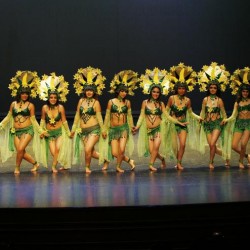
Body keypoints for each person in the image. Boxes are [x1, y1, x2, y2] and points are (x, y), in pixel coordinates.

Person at [0, 70, 45, 174]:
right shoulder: (13, 104)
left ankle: (17, 167)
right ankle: (35, 163)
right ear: (19, 93)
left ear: (28, 94)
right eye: (22, 93)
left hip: (27, 130)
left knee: (20, 149)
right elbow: (8, 117)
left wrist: (40, 131)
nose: (24, 95)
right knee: (21, 151)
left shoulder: (30, 105)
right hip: (15, 131)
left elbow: (33, 120)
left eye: (26, 93)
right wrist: (0, 125)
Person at [165, 63, 202, 170]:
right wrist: (172, 119)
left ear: (186, 89)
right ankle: (178, 160)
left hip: (183, 124)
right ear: (177, 88)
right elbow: (166, 112)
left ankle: (179, 163)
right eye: (180, 88)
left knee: (183, 144)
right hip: (172, 124)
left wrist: (198, 117)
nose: (181, 90)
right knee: (174, 146)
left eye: (183, 88)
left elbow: (190, 113)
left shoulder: (187, 100)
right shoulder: (171, 98)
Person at [71, 66, 108, 173]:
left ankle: (87, 167)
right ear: (84, 91)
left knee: (87, 149)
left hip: (94, 130)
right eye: (87, 90)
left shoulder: (96, 103)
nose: (89, 92)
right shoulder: (80, 101)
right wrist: (73, 129)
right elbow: (77, 116)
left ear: (94, 92)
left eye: (91, 91)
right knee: (91, 152)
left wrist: (103, 130)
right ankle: (106, 159)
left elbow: (100, 118)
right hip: (82, 131)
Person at [101, 70, 139, 173]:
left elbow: (130, 116)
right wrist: (104, 129)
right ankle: (130, 161)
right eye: (122, 91)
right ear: (118, 91)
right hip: (113, 130)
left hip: (123, 129)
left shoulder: (127, 102)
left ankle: (118, 166)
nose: (124, 93)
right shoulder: (111, 102)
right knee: (114, 152)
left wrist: (132, 127)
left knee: (121, 149)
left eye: (125, 91)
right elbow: (107, 117)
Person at [133, 67, 169, 171]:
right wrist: (137, 127)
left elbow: (167, 116)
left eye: (158, 92)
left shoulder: (161, 104)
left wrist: (178, 121)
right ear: (150, 91)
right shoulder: (144, 102)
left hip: (158, 129)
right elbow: (141, 116)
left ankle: (151, 165)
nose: (156, 94)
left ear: (160, 93)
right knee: (151, 150)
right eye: (154, 92)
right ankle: (162, 159)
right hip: (148, 130)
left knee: (156, 147)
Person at [198, 62, 230, 170]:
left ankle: (211, 162)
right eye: (211, 87)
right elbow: (202, 113)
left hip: (217, 123)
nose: (212, 89)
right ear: (208, 88)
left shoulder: (219, 100)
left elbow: (224, 114)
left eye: (214, 88)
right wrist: (200, 121)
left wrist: (224, 120)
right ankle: (226, 156)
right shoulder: (205, 100)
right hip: (207, 124)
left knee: (212, 144)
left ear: (217, 89)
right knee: (212, 146)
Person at [38, 72, 72, 173]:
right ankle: (64, 164)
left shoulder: (60, 107)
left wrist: (69, 132)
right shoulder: (44, 108)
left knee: (57, 150)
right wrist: (41, 131)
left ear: (57, 98)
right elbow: (42, 121)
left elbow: (64, 121)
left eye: (55, 98)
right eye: (51, 97)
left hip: (59, 132)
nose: (53, 99)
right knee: (54, 153)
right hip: (49, 133)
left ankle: (53, 166)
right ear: (48, 98)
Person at [223, 67, 250, 169]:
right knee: (234, 145)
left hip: (248, 124)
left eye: (247, 92)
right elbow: (234, 115)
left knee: (243, 144)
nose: (245, 93)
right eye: (243, 92)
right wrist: (226, 120)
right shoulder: (237, 102)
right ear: (241, 92)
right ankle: (247, 156)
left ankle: (241, 161)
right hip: (239, 124)